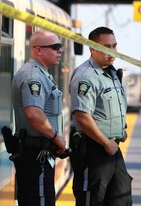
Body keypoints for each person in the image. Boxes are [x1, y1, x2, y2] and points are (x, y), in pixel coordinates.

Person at [69, 26, 132, 206]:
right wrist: (105, 142)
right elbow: (81, 115)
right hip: (93, 150)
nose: (112, 51)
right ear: (92, 48)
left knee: (122, 199)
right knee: (92, 199)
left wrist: (122, 128)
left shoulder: (111, 73)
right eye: (106, 47)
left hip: (112, 148)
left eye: (114, 46)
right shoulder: (86, 76)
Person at [11, 30, 66, 206]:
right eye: (55, 47)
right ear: (38, 50)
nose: (60, 51)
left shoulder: (41, 73)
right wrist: (56, 137)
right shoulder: (33, 76)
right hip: (36, 157)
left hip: (39, 154)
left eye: (60, 47)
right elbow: (34, 114)